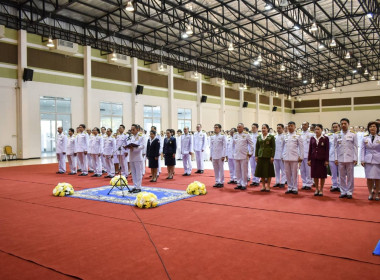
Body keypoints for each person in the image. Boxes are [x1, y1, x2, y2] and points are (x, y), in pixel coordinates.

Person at [335, 118, 358, 199]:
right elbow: (335, 147)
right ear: (340, 125)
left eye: (345, 124)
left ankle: (349, 192)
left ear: (348, 124)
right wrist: (335, 158)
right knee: (341, 176)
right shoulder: (337, 134)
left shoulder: (353, 134)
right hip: (340, 158)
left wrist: (355, 158)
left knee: (350, 176)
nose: (343, 125)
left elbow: (355, 147)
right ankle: (343, 191)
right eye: (342, 124)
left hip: (350, 158)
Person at [282, 121, 304, 195]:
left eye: (291, 126)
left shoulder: (298, 136)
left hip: (294, 157)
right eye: (289, 126)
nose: (290, 127)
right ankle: (289, 187)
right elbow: (283, 147)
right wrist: (282, 156)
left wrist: (301, 156)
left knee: (294, 173)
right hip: (286, 157)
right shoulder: (285, 136)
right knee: (287, 173)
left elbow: (301, 147)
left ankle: (295, 188)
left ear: (295, 127)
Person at [308, 124, 329, 196]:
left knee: (322, 175)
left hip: (322, 159)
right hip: (314, 159)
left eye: (318, 129)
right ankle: (316, 188)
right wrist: (309, 159)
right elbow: (310, 149)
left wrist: (327, 160)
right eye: (315, 129)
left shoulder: (325, 138)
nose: (316, 130)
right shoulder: (312, 138)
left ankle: (321, 189)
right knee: (315, 175)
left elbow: (327, 150)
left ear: (322, 130)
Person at [361, 121, 380, 200]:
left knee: (377, 178)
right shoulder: (365, 138)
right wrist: (362, 160)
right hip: (368, 160)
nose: (372, 128)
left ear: (377, 128)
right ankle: (370, 192)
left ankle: (376, 194)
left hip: (378, 160)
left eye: (374, 126)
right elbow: (362, 150)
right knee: (369, 178)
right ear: (368, 128)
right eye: (371, 126)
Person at [233, 123, 254, 190]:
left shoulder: (246, 134)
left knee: (244, 171)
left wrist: (251, 152)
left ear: (243, 128)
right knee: (237, 171)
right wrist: (233, 153)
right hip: (236, 155)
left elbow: (251, 144)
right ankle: (239, 183)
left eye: (240, 127)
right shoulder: (235, 135)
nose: (238, 128)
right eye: (237, 127)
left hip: (244, 155)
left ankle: (244, 184)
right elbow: (233, 145)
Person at [255, 124, 275, 192]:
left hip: (268, 156)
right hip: (260, 156)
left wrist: (272, 156)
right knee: (261, 171)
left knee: (269, 172)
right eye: (262, 128)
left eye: (265, 128)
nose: (263, 129)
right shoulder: (259, 137)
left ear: (267, 129)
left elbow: (274, 147)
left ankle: (268, 185)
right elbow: (257, 147)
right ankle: (263, 185)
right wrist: (256, 156)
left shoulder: (271, 137)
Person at [127, 124, 145, 191]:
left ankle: (138, 187)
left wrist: (134, 148)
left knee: (138, 172)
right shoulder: (131, 136)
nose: (132, 131)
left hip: (137, 156)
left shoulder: (141, 136)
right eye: (131, 130)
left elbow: (143, 146)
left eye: (133, 130)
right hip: (131, 156)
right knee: (133, 172)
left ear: (138, 129)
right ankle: (135, 186)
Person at [300, 122, 314, 190]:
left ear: (308, 126)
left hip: (308, 155)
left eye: (305, 125)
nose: (304, 126)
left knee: (308, 170)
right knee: (302, 170)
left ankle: (309, 183)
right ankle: (304, 183)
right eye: (303, 125)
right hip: (301, 155)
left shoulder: (311, 134)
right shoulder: (299, 134)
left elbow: (313, 146)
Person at [328, 123, 340, 192]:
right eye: (333, 127)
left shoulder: (342, 135)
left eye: (336, 127)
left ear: (339, 127)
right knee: (333, 172)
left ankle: (341, 185)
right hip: (331, 156)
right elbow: (328, 147)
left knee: (341, 173)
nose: (335, 128)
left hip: (340, 156)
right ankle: (334, 185)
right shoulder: (329, 136)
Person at [274, 124, 286, 188]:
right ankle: (277, 181)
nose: (278, 129)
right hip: (275, 155)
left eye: (280, 128)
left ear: (283, 129)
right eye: (277, 128)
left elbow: (285, 147)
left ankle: (283, 182)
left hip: (282, 156)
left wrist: (283, 155)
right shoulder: (274, 137)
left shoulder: (284, 137)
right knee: (276, 170)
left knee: (283, 170)